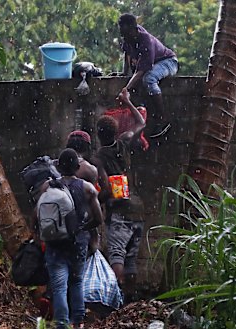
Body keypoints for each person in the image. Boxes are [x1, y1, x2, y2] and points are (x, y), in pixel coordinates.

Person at [92, 89, 146, 303]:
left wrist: (93, 200)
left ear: (98, 135)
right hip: (138, 209)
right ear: (116, 132)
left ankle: (115, 301)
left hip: (119, 212)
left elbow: (105, 188)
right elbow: (140, 122)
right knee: (131, 258)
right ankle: (130, 299)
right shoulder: (124, 142)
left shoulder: (98, 158)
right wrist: (128, 101)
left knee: (117, 256)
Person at [44, 148, 103, 329]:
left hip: (55, 243)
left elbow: (37, 215)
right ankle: (78, 322)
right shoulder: (87, 188)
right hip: (78, 243)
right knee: (76, 281)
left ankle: (61, 323)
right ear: (78, 167)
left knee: (59, 285)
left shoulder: (48, 187)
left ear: (59, 167)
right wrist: (81, 228)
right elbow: (98, 219)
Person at [117, 13, 178, 139]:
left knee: (148, 79)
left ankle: (163, 119)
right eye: (123, 35)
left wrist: (126, 90)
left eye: (127, 34)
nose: (125, 38)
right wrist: (124, 73)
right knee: (140, 82)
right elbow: (127, 54)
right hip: (153, 65)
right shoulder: (128, 38)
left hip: (168, 62)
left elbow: (143, 70)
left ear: (134, 29)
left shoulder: (145, 40)